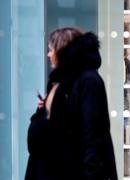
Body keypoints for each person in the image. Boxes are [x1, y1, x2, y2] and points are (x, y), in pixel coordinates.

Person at [26, 27, 118, 180]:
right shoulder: (60, 82)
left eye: (51, 49)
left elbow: (92, 135)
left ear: (61, 50)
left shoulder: (87, 81)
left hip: (73, 171)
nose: (49, 55)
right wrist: (42, 112)